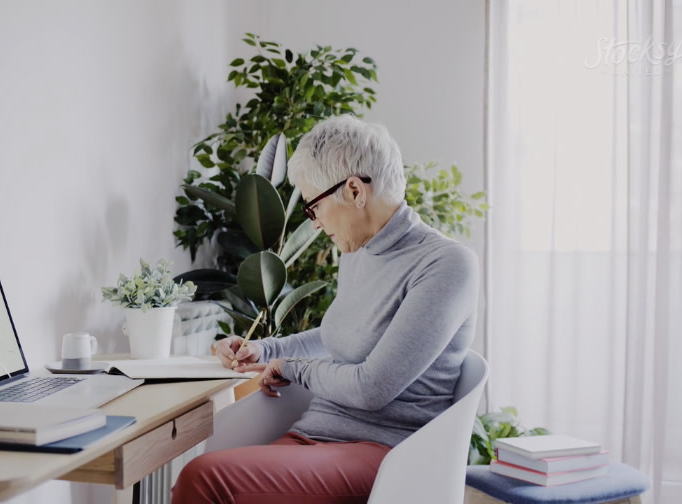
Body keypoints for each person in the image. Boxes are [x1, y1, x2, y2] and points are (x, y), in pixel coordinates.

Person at [171, 115, 480, 504]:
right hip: (316, 437)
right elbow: (337, 338)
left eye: (313, 207)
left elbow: (373, 388)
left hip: (385, 453)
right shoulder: (357, 252)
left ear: (354, 190)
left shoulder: (447, 265)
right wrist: (266, 351)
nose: (314, 225)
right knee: (200, 478)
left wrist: (293, 369)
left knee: (205, 477)